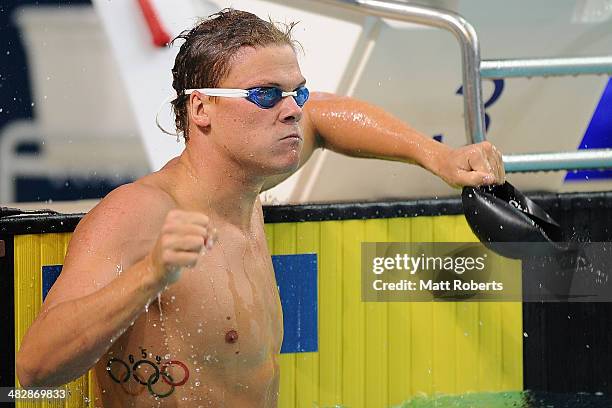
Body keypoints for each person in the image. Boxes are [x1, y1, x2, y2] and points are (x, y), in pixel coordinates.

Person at [16, 8, 505, 407]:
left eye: (296, 91)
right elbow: (32, 371)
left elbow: (327, 115)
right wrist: (149, 275)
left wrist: (438, 156)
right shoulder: (139, 214)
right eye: (265, 95)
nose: (291, 109)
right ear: (201, 108)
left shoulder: (245, 187)